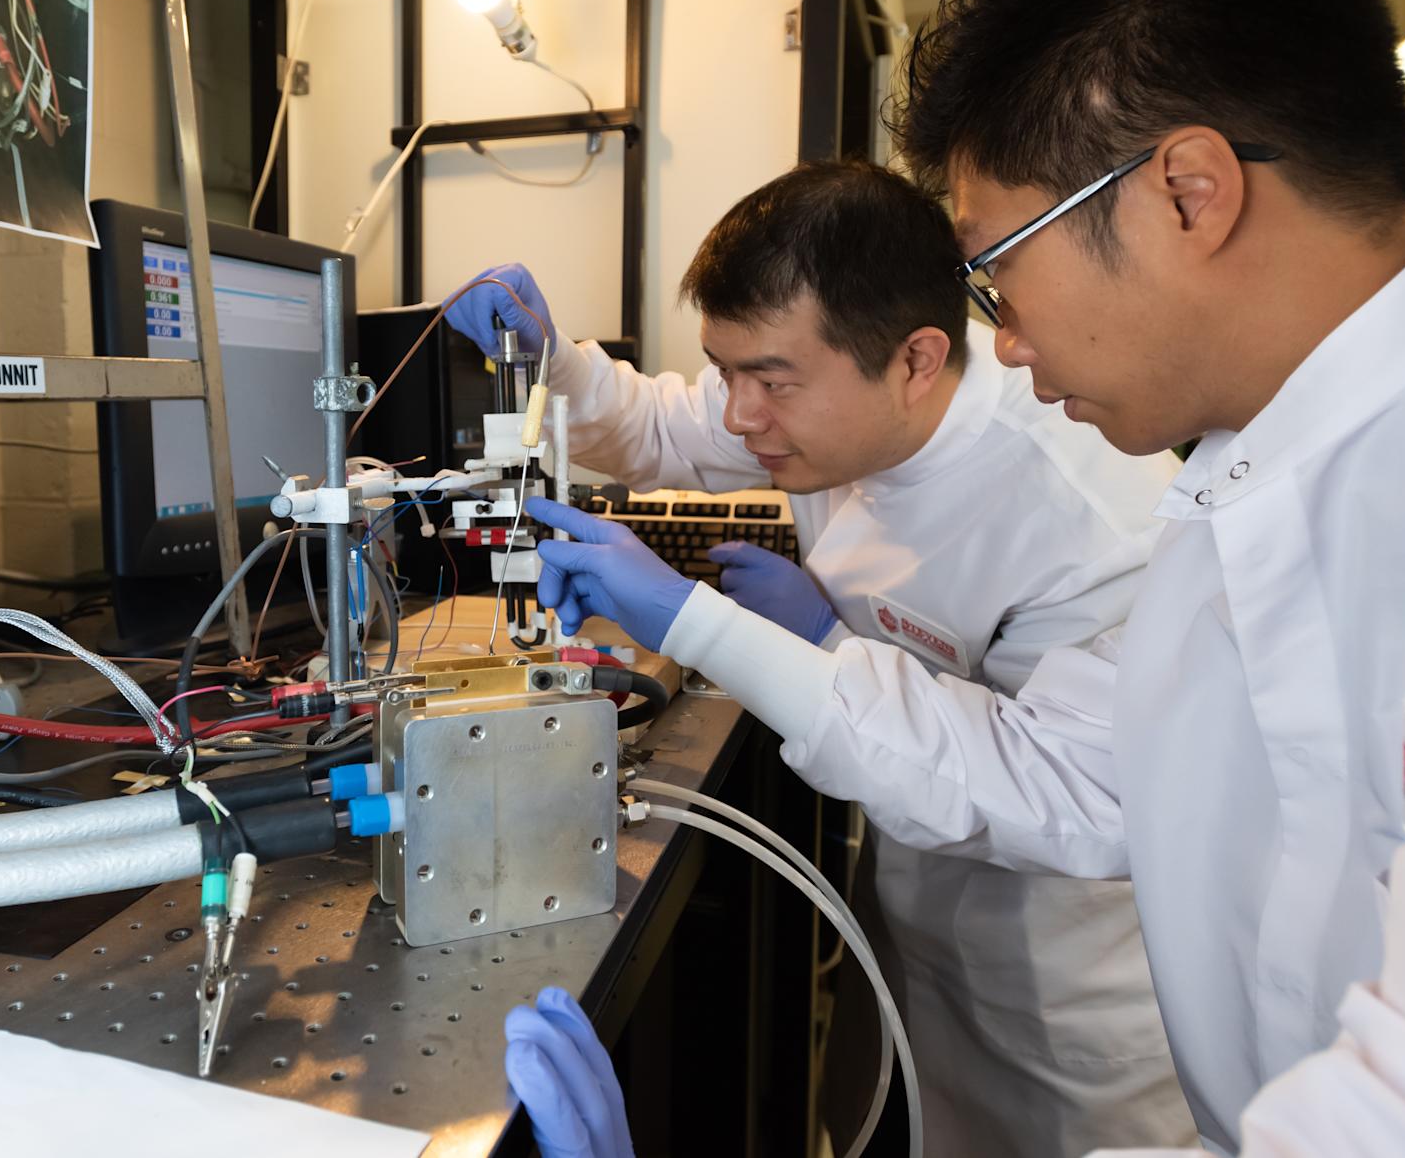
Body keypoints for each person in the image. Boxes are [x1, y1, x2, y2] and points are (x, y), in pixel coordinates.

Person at [512, 0, 1405, 1158]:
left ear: (1186, 194)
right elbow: (1072, 773)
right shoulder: (1249, 474)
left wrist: (736, 632)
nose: (1004, 338)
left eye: (995, 270)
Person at [447, 160, 1196, 1156]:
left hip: (1060, 1017)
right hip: (907, 937)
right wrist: (560, 368)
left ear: (917, 361)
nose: (739, 414)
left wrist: (752, 632)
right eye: (727, 372)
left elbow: (1041, 791)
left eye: (770, 382)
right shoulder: (826, 391)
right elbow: (665, 428)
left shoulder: (1093, 518)